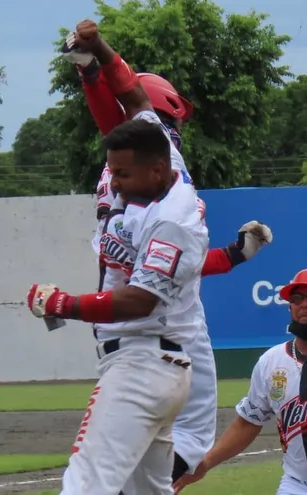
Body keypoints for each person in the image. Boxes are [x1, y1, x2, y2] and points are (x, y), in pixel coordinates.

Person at [63, 19, 274, 484]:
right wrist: (90, 66)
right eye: (171, 119)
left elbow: (179, 269)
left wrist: (91, 64)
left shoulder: (155, 180)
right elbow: (118, 113)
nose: (174, 128)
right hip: (144, 335)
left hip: (150, 334)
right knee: (158, 471)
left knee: (161, 464)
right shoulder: (137, 166)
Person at [27, 119, 209, 494]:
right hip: (157, 365)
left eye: (123, 173)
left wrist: (64, 304)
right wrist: (95, 64)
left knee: (85, 483)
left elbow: (140, 300)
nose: (116, 182)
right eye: (113, 172)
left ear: (157, 168)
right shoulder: (155, 182)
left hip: (141, 366)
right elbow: (137, 100)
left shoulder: (171, 219)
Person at [173, 268, 307, 495]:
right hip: (297, 486)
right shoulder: (271, 361)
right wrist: (205, 463)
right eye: (297, 299)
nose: (304, 305)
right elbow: (248, 422)